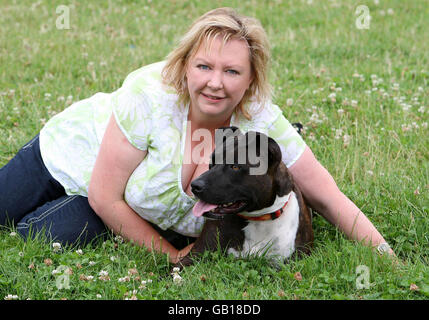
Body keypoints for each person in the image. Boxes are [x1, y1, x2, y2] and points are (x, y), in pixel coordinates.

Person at [0, 7, 394, 263]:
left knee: (39, 233)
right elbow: (106, 194)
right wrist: (172, 255)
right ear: (186, 64)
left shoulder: (258, 121)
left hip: (118, 197)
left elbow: (325, 195)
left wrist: (386, 257)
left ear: (251, 78)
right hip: (65, 157)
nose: (215, 84)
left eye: (232, 71)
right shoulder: (149, 95)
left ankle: (99, 221)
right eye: (204, 66)